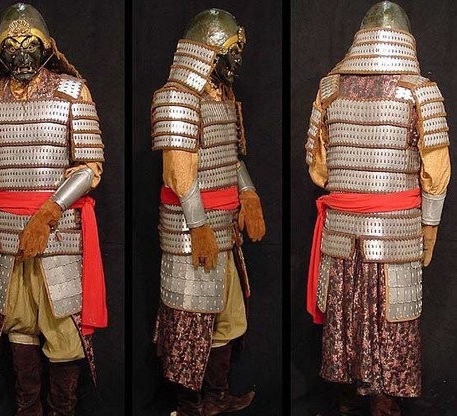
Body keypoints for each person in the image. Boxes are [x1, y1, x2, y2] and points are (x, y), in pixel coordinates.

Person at [305, 2, 451, 415]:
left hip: (341, 229)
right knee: (390, 316)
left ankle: (348, 397)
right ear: (405, 40)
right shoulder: (421, 91)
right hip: (396, 231)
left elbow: (318, 167)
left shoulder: (328, 90)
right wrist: (430, 226)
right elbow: (436, 170)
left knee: (346, 311)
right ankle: (382, 402)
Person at [0, 3, 107, 415]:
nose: (21, 52)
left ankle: (62, 410)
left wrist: (48, 212)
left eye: (30, 43)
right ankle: (29, 410)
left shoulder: (72, 92)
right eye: (11, 45)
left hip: (58, 233)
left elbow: (91, 166)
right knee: (19, 323)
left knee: (62, 328)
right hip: (7, 233)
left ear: (46, 47)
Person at [151, 8, 266, 416]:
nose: (237, 61)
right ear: (210, 52)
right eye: (232, 52)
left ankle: (215, 398)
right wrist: (198, 226)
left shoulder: (222, 96)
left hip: (223, 227)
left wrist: (248, 193)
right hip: (191, 230)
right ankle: (189, 404)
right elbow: (180, 173)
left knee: (227, 315)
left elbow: (230, 157)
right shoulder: (177, 97)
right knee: (190, 320)